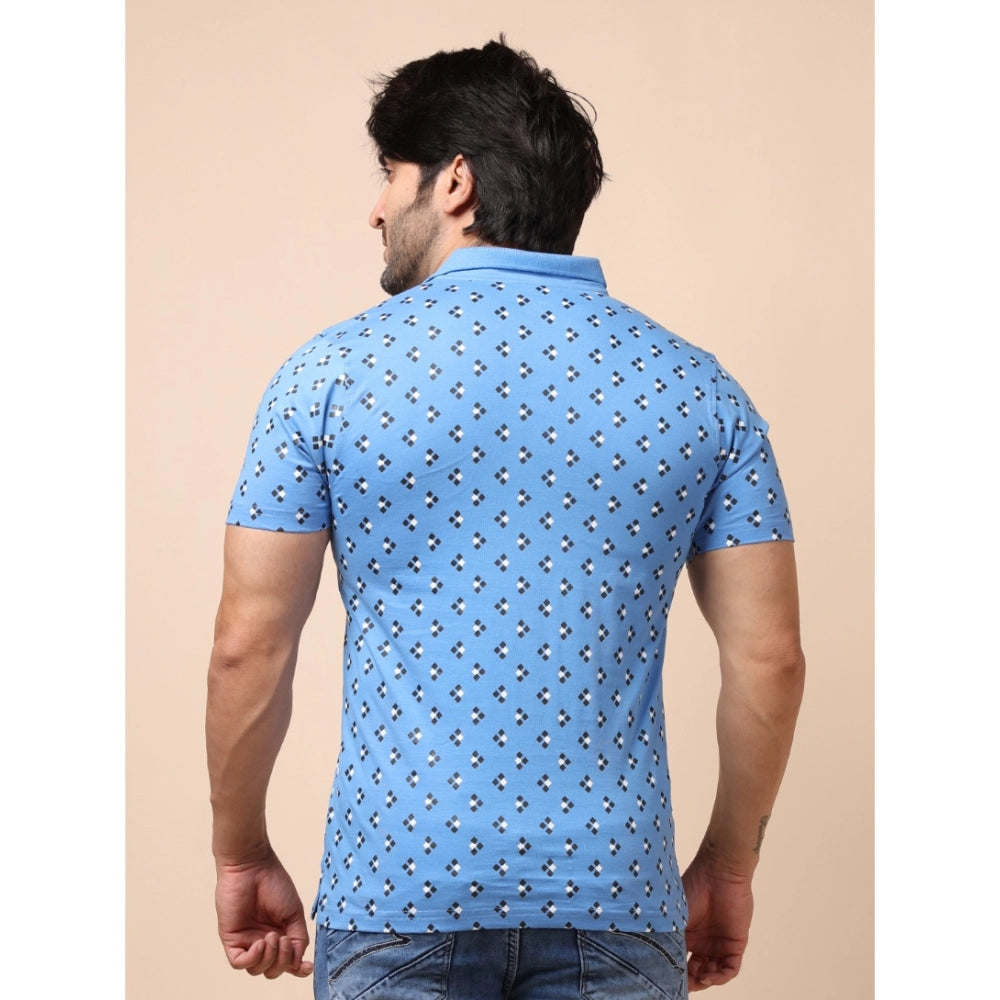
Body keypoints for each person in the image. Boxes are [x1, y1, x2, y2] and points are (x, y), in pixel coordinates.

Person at [206, 37, 805, 999]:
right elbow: (770, 660)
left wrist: (240, 853)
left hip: (397, 891)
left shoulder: (325, 378)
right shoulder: (701, 391)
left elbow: (249, 647)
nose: (375, 208)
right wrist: (728, 868)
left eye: (389, 174)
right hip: (617, 896)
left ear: (454, 182)